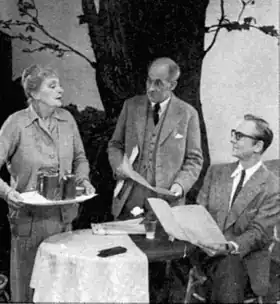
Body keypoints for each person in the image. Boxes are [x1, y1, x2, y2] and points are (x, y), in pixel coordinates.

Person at [0, 64, 95, 302]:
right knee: (29, 292)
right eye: (53, 86)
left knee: (61, 291)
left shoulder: (67, 120)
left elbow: (80, 159)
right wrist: (7, 192)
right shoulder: (16, 124)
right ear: (33, 93)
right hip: (29, 223)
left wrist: (84, 180)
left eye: (59, 85)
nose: (61, 90)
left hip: (64, 220)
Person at [191, 114, 280, 303]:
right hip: (205, 253)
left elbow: (259, 233)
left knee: (228, 267)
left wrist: (227, 246)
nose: (232, 139)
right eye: (233, 134)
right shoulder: (216, 172)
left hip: (245, 259)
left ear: (257, 146)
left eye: (239, 136)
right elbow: (200, 213)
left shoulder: (272, 186)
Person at [108, 57, 203, 220]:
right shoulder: (131, 106)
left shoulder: (188, 114)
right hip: (129, 200)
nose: (151, 88)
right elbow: (115, 144)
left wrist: (180, 185)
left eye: (158, 83)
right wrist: (118, 166)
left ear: (172, 85)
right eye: (149, 81)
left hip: (166, 203)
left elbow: (194, 159)